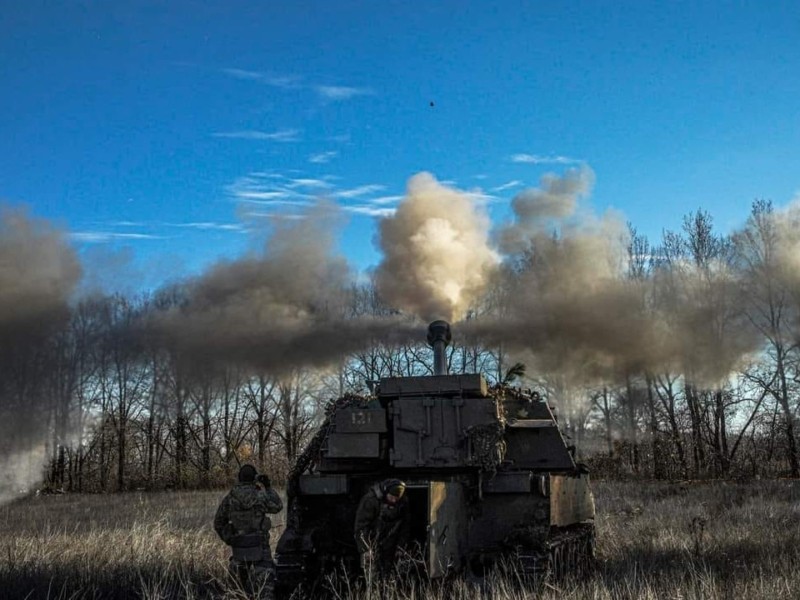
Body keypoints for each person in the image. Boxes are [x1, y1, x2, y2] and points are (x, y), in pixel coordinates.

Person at [214, 464, 283, 599]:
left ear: (239, 478)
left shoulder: (230, 498)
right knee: (265, 587)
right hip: (260, 547)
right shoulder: (261, 496)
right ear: (254, 478)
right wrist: (268, 487)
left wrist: (230, 538)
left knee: (236, 589)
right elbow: (278, 506)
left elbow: (218, 523)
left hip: (239, 549)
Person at [353, 478, 410, 577]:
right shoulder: (371, 501)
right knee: (372, 577)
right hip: (371, 544)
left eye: (396, 498)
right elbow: (361, 526)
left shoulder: (402, 502)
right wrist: (365, 549)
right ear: (385, 491)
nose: (393, 500)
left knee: (391, 577)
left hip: (390, 545)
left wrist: (401, 547)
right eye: (391, 497)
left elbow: (405, 526)